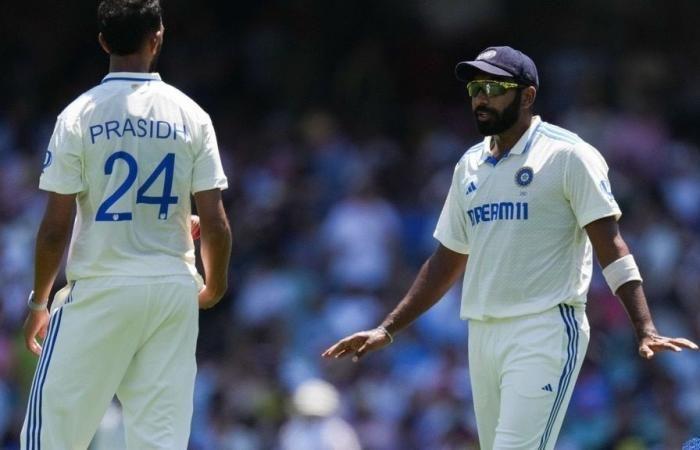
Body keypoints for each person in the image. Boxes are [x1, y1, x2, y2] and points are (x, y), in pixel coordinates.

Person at [323, 46, 698, 449]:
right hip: (483, 334)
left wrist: (644, 327)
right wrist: (387, 328)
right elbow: (446, 260)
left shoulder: (568, 154)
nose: (480, 97)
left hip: (545, 328)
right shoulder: (469, 164)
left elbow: (611, 244)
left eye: (493, 87)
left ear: (527, 96)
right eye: (474, 88)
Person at [20, 0, 231, 448]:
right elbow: (214, 221)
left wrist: (39, 302)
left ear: (102, 42)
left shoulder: (78, 115)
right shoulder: (192, 115)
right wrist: (213, 285)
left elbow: (56, 228)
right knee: (158, 443)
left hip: (102, 287)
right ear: (158, 37)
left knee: (50, 438)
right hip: (173, 288)